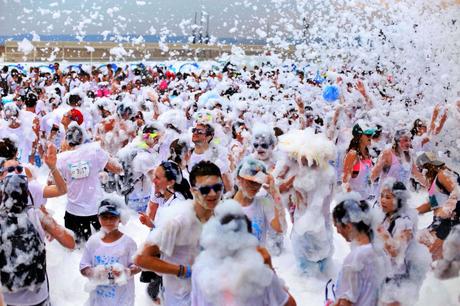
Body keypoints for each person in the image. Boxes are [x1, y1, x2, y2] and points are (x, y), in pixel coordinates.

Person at [135, 161, 223, 306]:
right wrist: (181, 270)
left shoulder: (221, 219)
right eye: (205, 189)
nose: (213, 193)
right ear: (194, 190)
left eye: (217, 187)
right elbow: (141, 258)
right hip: (180, 300)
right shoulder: (179, 220)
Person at [191, 199, 296, 306]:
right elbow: (290, 304)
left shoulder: (200, 271)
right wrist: (270, 269)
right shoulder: (261, 277)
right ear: (249, 241)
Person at [0, 166, 75, 306]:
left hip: (8, 299)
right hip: (38, 298)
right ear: (27, 193)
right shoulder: (36, 215)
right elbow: (70, 243)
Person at [57, 122, 122, 243]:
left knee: (77, 252)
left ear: (67, 141)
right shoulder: (94, 152)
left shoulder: (61, 159)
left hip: (73, 211)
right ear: (83, 138)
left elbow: (52, 183)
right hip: (96, 210)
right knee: (104, 246)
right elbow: (117, 169)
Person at [377, 179, 430, 306]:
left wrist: (379, 231)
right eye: (382, 196)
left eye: (388, 197)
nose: (383, 200)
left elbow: (396, 251)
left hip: (397, 281)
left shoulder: (404, 223)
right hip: (384, 275)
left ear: (399, 201)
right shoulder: (385, 216)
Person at [80, 198, 140, 306]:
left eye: (113, 217)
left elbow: (138, 265)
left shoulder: (128, 243)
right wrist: (95, 273)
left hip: (122, 300)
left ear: (120, 218)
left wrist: (126, 272)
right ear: (98, 218)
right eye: (104, 217)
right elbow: (83, 266)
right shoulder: (93, 242)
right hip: (98, 300)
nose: (108, 221)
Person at [332, 195, 385, 306]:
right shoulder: (380, 250)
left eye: (337, 226)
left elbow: (345, 302)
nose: (337, 231)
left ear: (348, 226)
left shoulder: (354, 259)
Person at [415, 152, 460, 260]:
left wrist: (449, 220)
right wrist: (412, 211)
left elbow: (458, 196)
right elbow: (434, 204)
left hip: (448, 223)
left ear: (428, 166)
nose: (422, 173)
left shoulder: (443, 174)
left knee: (424, 254)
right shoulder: (435, 180)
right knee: (418, 247)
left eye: (421, 169)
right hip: (440, 223)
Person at [233, 157, 283, 247]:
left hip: (258, 259)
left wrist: (275, 194)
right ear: (239, 178)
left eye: (259, 182)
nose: (255, 186)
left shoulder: (264, 203)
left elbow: (280, 228)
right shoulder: (226, 208)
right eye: (251, 182)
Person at [342, 123, 375, 200]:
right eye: (368, 134)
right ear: (359, 136)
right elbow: (345, 181)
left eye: (371, 134)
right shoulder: (352, 154)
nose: (371, 136)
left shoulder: (367, 153)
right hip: (354, 200)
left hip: (367, 199)